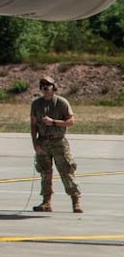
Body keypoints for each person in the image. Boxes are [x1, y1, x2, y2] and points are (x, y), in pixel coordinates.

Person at [30, 76, 82, 213]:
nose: (46, 88)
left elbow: (71, 122)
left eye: (48, 85)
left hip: (58, 141)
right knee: (45, 173)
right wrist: (35, 142)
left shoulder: (61, 103)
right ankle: (46, 202)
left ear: (54, 87)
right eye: (43, 86)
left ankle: (75, 201)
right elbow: (33, 124)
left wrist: (53, 122)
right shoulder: (36, 104)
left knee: (67, 170)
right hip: (43, 141)